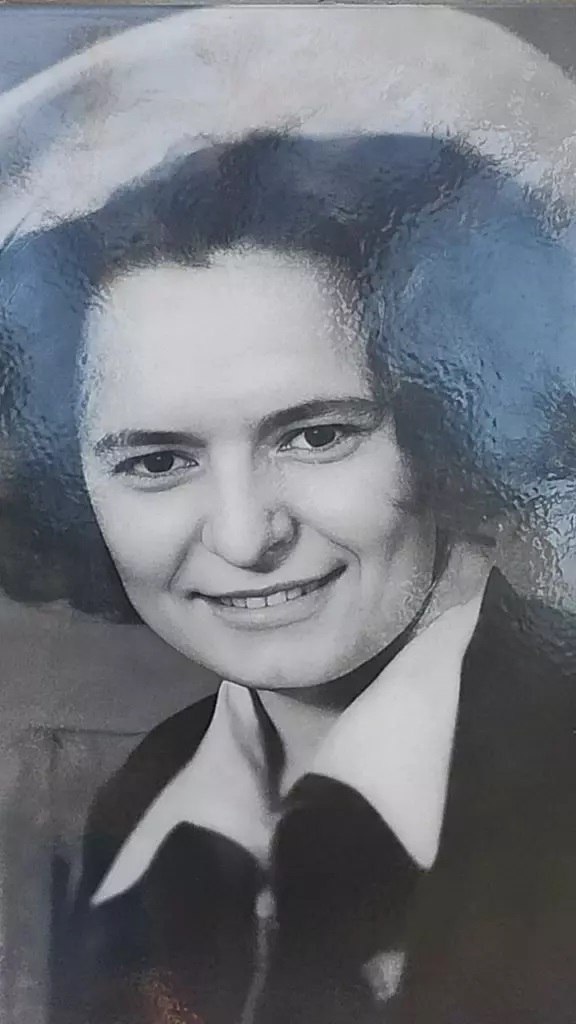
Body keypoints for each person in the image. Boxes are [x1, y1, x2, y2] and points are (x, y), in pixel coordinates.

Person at [1, 131, 575, 1024]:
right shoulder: (148, 796)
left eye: (317, 435)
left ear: (450, 433)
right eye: (158, 461)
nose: (244, 538)